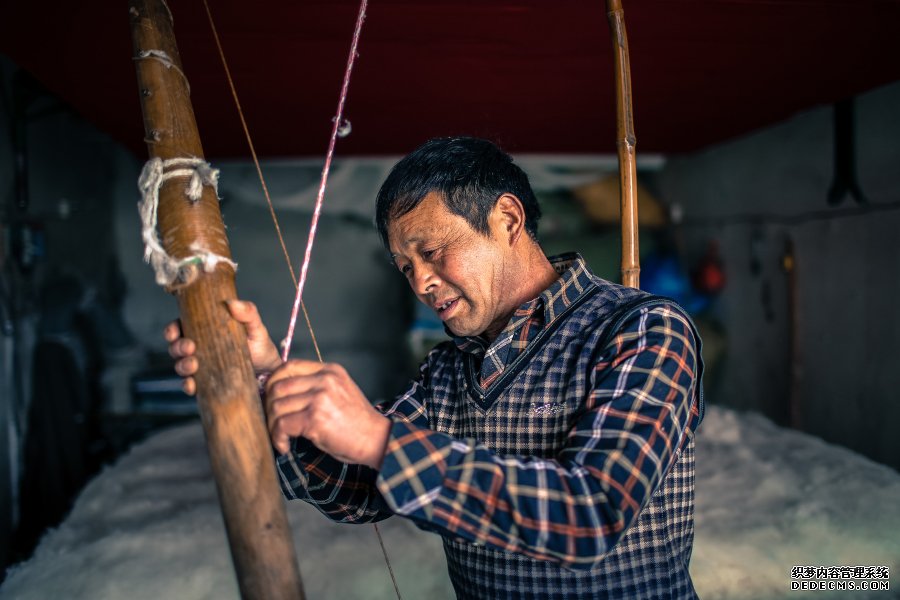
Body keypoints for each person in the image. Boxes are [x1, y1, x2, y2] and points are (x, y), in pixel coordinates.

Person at [166, 137, 705, 599]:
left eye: (432, 250)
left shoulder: (643, 329)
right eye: (406, 266)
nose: (420, 282)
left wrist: (375, 436)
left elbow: (592, 515)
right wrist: (266, 382)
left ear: (507, 219)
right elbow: (355, 491)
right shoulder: (448, 369)